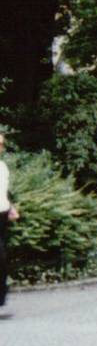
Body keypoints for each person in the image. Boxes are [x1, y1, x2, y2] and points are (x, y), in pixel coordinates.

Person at [0, 132, 18, 319]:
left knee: (3, 258)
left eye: (1, 144)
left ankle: (1, 300)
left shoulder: (3, 167)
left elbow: (3, 192)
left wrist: (11, 207)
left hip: (2, 214)